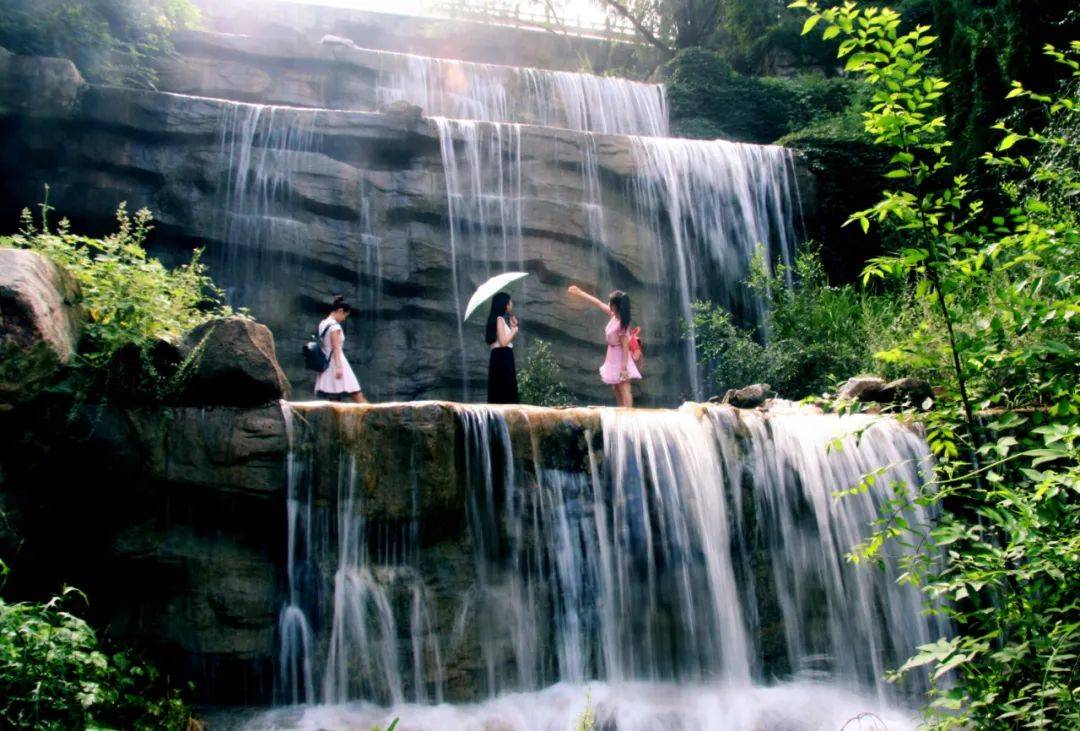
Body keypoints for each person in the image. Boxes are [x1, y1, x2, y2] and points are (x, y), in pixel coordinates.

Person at [567, 285, 641, 407]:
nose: (608, 304)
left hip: (620, 356)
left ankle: (628, 414)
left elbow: (625, 346)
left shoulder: (622, 325)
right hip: (612, 355)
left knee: (624, 387)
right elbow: (598, 303)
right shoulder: (614, 316)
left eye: (610, 303)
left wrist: (623, 368)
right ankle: (621, 410)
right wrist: (580, 293)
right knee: (616, 387)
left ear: (615, 306)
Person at [314, 296, 368, 403]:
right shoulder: (335, 326)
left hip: (326, 362)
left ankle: (335, 419)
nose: (344, 319)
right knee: (356, 392)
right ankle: (372, 417)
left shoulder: (323, 323)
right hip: (337, 362)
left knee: (334, 395)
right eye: (345, 315)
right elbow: (336, 347)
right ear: (340, 311)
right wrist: (339, 367)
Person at [485, 292, 519, 404]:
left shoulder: (495, 319)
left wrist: (512, 327)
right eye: (510, 302)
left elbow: (502, 340)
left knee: (498, 391)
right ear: (505, 304)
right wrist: (514, 330)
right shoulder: (499, 319)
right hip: (503, 357)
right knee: (506, 391)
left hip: (497, 356)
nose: (511, 304)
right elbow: (504, 342)